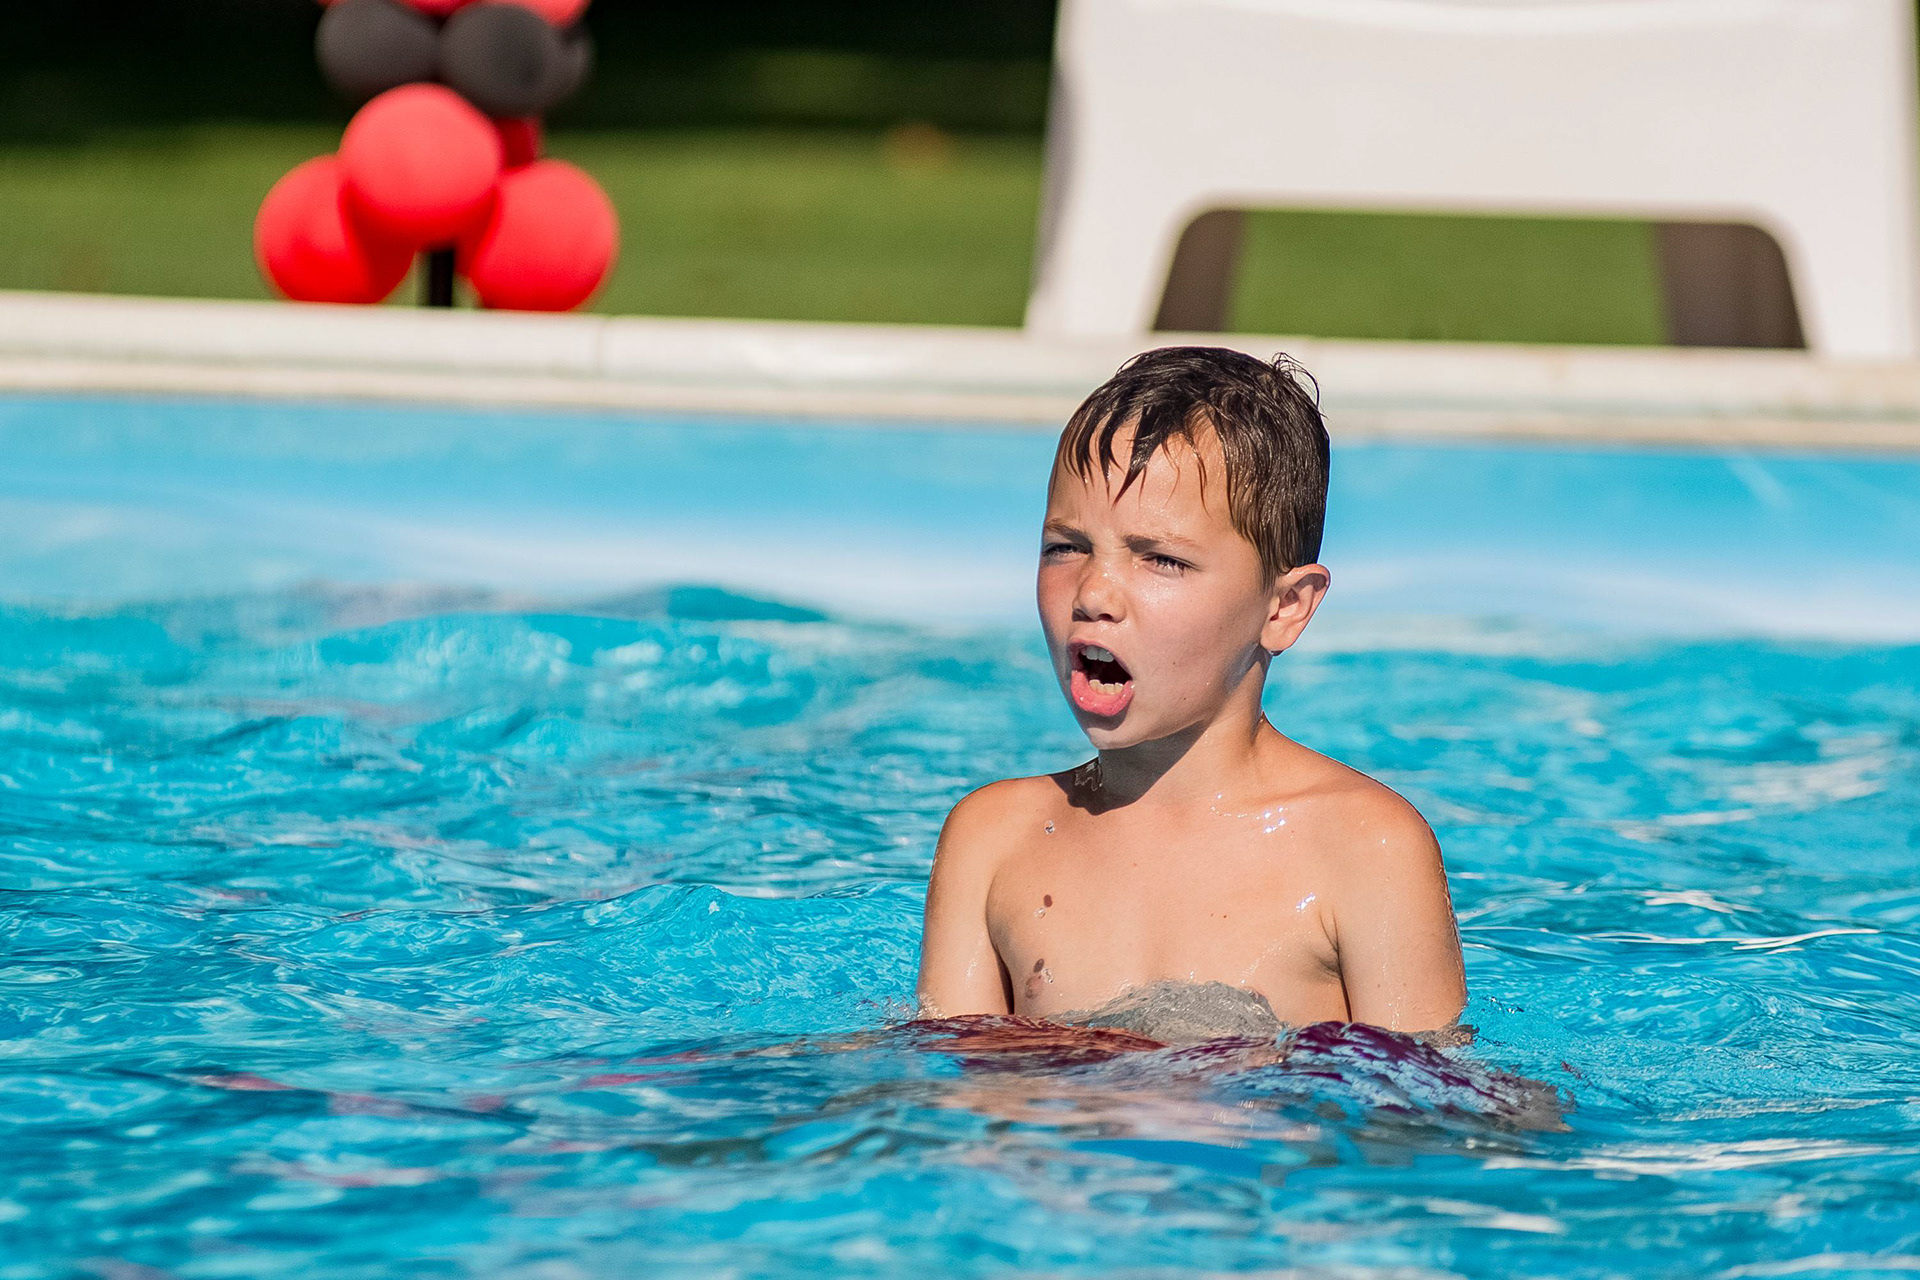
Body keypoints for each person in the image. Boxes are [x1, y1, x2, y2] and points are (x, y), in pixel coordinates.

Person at [915, 347, 1466, 1037]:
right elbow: (950, 1087)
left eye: (1161, 559)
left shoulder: (1365, 848)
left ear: (1284, 608)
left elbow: (1421, 1096)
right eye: (1066, 547)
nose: (1093, 593)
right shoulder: (993, 841)